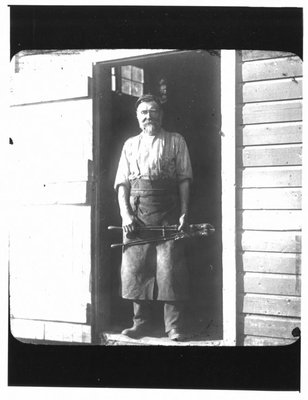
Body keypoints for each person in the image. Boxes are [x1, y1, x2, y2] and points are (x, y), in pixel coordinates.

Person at [114, 94, 193, 341]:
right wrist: (125, 214)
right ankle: (141, 324)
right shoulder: (129, 145)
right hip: (138, 213)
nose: (149, 116)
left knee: (170, 267)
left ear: (161, 114)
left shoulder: (176, 141)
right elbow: (122, 184)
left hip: (168, 211)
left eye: (154, 111)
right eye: (144, 112)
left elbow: (184, 179)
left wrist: (184, 211)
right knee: (137, 266)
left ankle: (173, 326)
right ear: (138, 117)